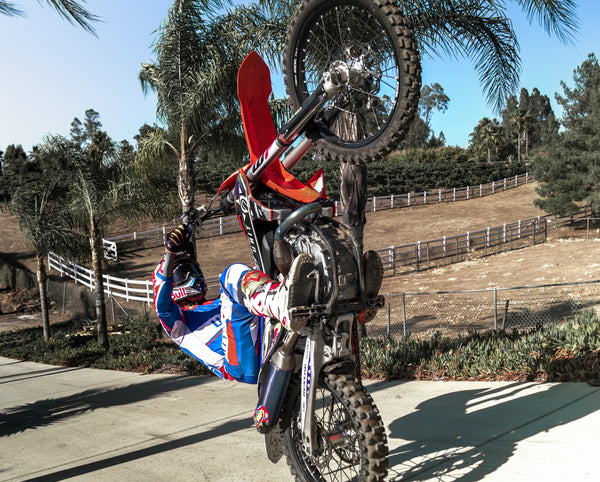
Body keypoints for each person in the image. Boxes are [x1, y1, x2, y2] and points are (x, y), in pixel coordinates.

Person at [152, 224, 315, 384]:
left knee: (261, 270)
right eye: (184, 273)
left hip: (262, 341)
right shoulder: (179, 325)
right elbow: (162, 305)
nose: (193, 275)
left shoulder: (219, 303)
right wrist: (169, 254)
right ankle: (282, 303)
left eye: (194, 270)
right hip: (239, 366)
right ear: (172, 283)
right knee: (230, 275)